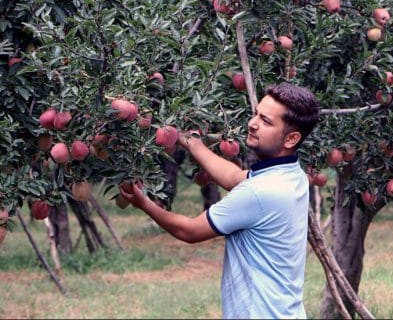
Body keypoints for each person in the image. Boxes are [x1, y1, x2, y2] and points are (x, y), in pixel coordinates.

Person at [120, 83, 320, 319]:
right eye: (256, 114)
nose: (252, 123)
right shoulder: (291, 175)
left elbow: (190, 231)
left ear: (291, 138)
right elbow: (235, 177)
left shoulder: (261, 192)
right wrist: (192, 142)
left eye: (266, 121)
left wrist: (144, 204)